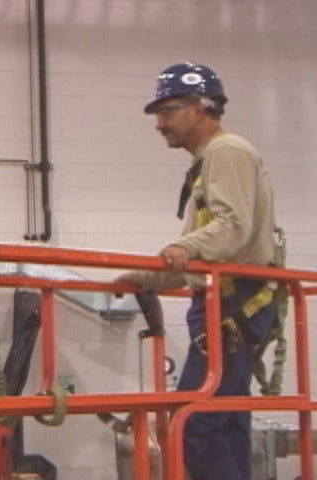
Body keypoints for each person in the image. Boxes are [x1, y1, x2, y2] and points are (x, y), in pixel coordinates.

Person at [116, 62, 279, 480]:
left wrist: (181, 248)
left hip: (232, 307)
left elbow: (233, 228)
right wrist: (145, 278)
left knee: (194, 422)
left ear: (198, 107)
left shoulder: (227, 153)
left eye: (167, 111)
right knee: (225, 421)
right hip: (226, 305)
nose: (159, 125)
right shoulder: (213, 161)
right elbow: (202, 256)